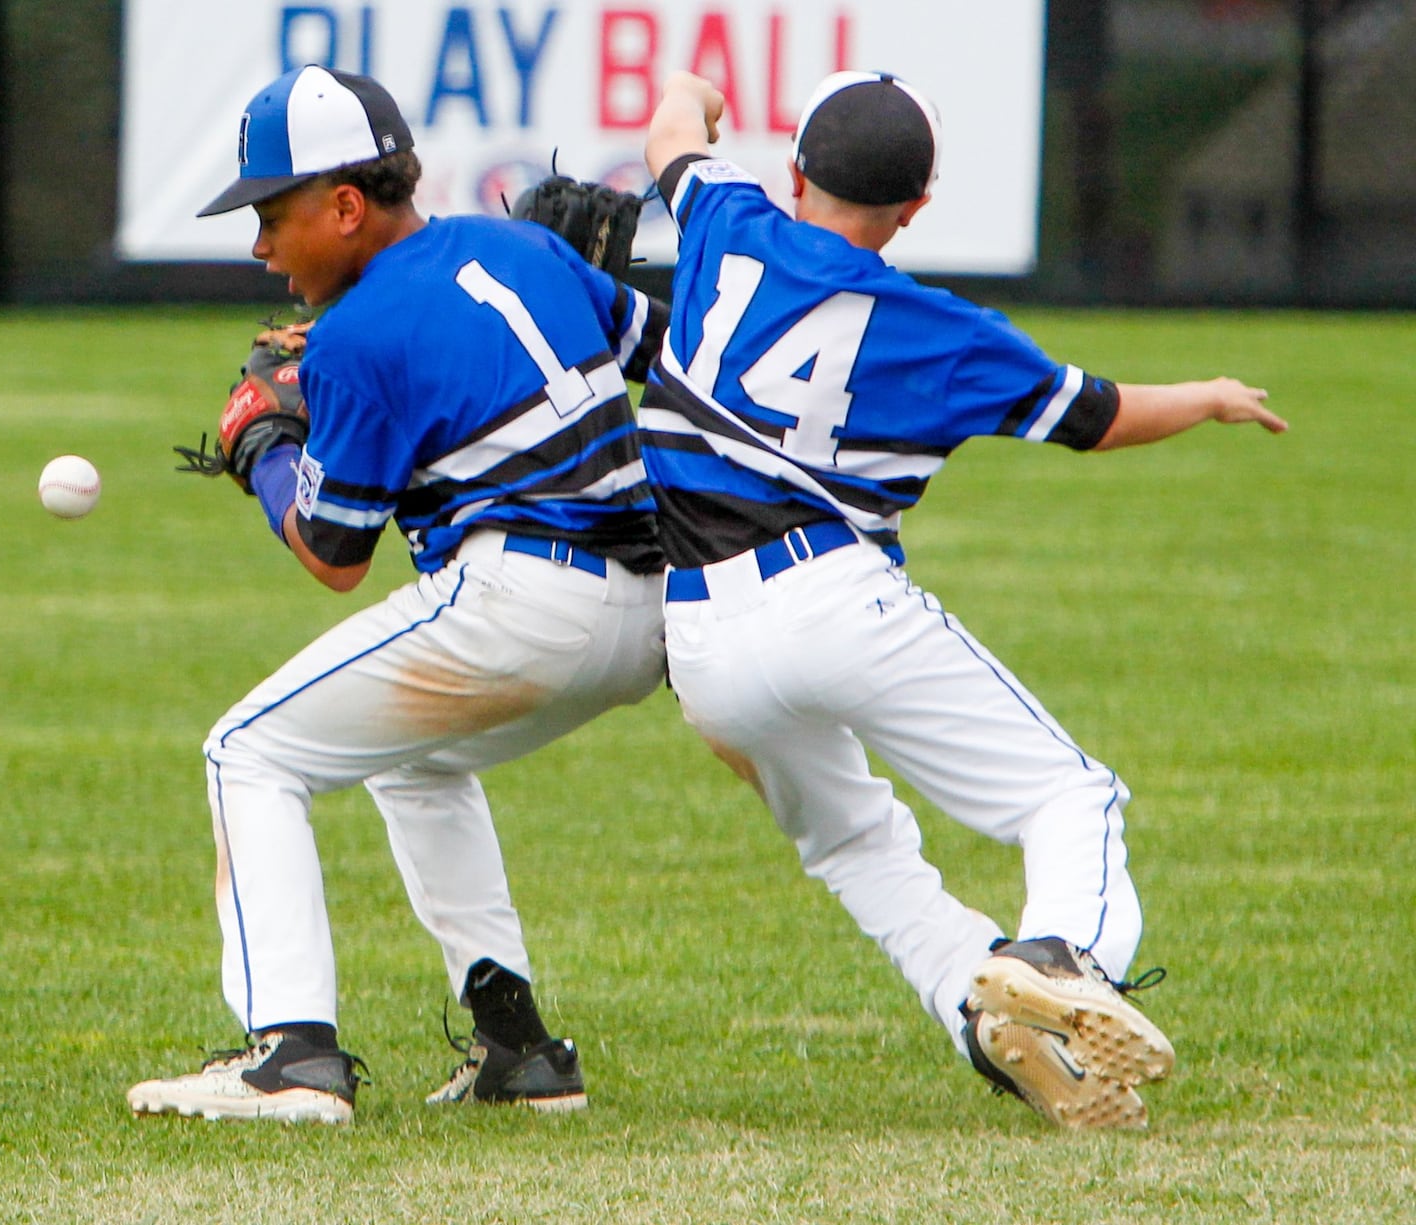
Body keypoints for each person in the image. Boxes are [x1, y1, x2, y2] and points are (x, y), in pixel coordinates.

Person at [638, 70, 1287, 1129]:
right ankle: (1057, 957)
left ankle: (987, 1016)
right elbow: (1100, 416)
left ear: (794, 173)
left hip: (698, 643)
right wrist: (1208, 397)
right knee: (1067, 798)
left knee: (854, 847)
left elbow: (675, 123)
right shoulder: (941, 329)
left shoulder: (725, 217)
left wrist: (700, 95)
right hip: (829, 593)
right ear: (917, 208)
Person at [128, 65, 670, 1123]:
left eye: (271, 214)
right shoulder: (523, 245)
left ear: (343, 205)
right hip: (649, 614)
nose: (259, 247)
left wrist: (266, 446)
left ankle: (289, 1055)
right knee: (412, 760)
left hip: (521, 600)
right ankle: (517, 1047)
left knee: (248, 749)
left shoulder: (354, 336)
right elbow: (674, 355)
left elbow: (334, 552)